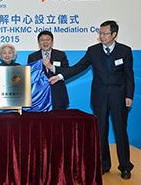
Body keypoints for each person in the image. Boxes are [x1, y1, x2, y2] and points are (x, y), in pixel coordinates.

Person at [49, 20, 134, 179]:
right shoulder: (93, 51)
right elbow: (78, 67)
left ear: (114, 34)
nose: (101, 36)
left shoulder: (125, 51)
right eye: (100, 33)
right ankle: (104, 165)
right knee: (101, 132)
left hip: (119, 97)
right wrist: (60, 76)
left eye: (104, 33)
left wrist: (129, 95)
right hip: (99, 97)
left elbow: (129, 76)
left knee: (121, 132)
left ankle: (125, 166)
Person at [27, 30, 69, 109]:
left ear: (52, 41)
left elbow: (67, 72)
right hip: (39, 97)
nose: (45, 42)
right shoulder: (32, 57)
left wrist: (52, 67)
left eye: (48, 39)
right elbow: (30, 76)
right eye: (42, 40)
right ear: (39, 43)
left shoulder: (61, 55)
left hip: (58, 96)